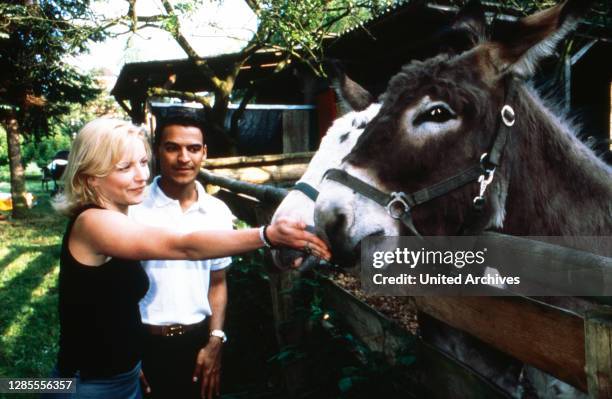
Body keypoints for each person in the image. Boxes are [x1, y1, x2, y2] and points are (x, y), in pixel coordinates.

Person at [50, 118, 330, 399]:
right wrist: (266, 235)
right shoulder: (94, 223)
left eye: (143, 162)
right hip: (86, 384)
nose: (141, 176)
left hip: (121, 377)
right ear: (89, 176)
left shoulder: (116, 216)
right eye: (124, 167)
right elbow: (182, 246)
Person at [128, 111, 230, 399]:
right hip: (142, 343)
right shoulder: (133, 208)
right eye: (172, 147)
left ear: (204, 152)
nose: (184, 158)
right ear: (157, 151)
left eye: (193, 148)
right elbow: (112, 290)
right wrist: (126, 354)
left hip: (199, 344)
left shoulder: (218, 212)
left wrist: (215, 340)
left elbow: (218, 282)